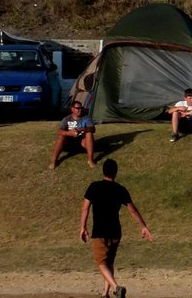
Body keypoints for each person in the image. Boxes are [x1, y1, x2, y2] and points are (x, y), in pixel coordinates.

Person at [80, 159, 153, 298]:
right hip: (115, 232)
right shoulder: (120, 189)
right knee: (109, 262)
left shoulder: (94, 187)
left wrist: (83, 227)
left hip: (99, 232)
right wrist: (143, 226)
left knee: (101, 263)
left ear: (103, 171)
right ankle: (105, 293)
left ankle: (116, 288)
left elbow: (85, 208)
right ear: (116, 172)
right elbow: (133, 210)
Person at [51, 100, 96, 169]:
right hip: (69, 142)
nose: (80, 110)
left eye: (81, 108)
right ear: (72, 109)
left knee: (89, 133)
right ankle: (53, 161)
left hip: (82, 143)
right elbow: (59, 131)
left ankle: (90, 160)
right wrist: (69, 133)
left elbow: (93, 129)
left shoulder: (86, 118)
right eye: (78, 108)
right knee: (61, 136)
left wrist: (82, 129)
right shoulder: (66, 119)